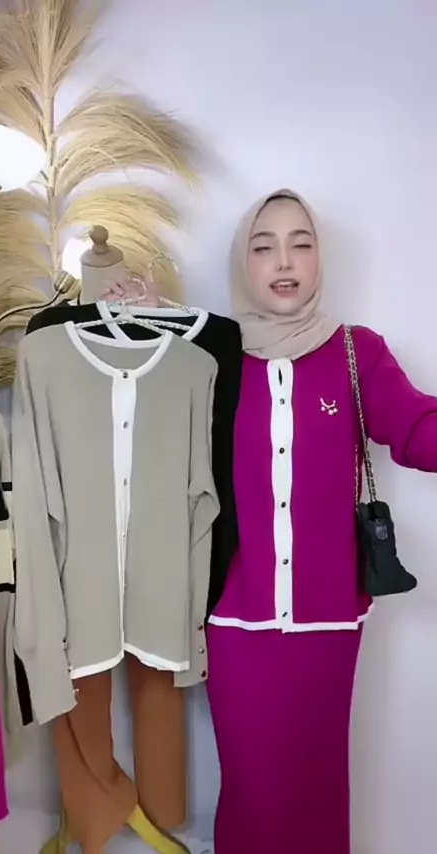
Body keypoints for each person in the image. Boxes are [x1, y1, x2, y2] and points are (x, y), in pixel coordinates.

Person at [205, 189, 437, 854]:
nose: (285, 261)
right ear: (243, 261)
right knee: (250, 791)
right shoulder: (211, 358)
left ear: (319, 259)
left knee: (317, 787)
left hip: (328, 621)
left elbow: (416, 429)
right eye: (264, 246)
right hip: (235, 622)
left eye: (300, 244)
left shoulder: (357, 352)